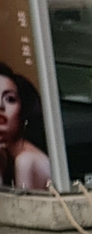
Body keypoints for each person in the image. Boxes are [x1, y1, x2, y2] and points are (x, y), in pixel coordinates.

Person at [0, 61, 57, 192]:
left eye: (10, 99)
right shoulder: (8, 155)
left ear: (25, 109)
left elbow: (22, 209)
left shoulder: (25, 160)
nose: (1, 107)